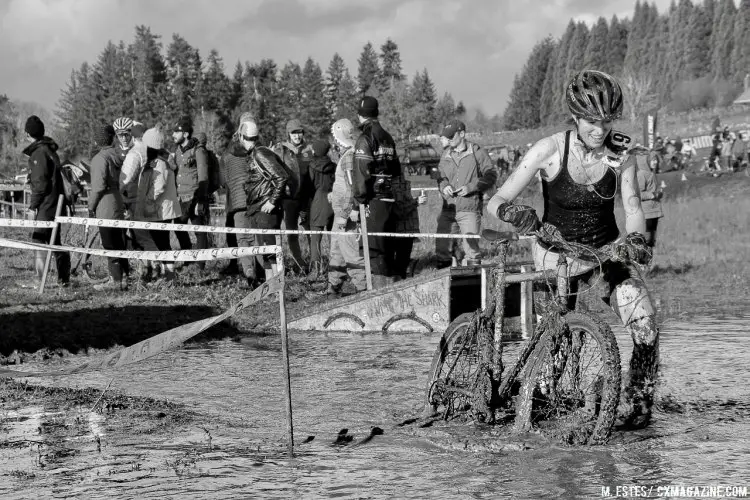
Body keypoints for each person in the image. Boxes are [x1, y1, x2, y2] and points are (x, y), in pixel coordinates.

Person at [487, 69, 659, 429]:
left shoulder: (621, 154)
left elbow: (633, 209)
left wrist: (636, 240)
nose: (599, 130)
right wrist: (513, 212)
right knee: (557, 349)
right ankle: (538, 410)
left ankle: (638, 403)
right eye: (591, 122)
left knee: (646, 325)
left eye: (607, 121)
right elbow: (497, 200)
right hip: (556, 255)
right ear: (575, 117)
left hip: (604, 252)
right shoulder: (549, 150)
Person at [351, 96, 402, 287]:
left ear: (359, 116)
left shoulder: (365, 138)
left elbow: (361, 174)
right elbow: (396, 169)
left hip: (373, 200)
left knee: (373, 250)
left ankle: (379, 297)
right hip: (389, 198)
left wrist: (357, 204)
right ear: (377, 112)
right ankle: (392, 290)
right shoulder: (388, 137)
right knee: (387, 249)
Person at [435, 119, 498, 268]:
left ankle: (474, 285)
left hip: (469, 209)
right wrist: (444, 186)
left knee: (471, 251)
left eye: (451, 136)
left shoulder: (477, 152)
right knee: (442, 249)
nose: (449, 140)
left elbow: (491, 175)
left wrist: (471, 187)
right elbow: (440, 176)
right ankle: (444, 284)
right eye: (447, 137)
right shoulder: (445, 155)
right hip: (448, 209)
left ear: (462, 134)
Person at [22, 115, 70, 287]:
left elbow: (41, 184)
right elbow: (46, 177)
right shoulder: (49, 150)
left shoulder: (39, 153)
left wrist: (32, 206)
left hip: (46, 205)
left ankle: (39, 280)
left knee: (39, 239)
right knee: (54, 241)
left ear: (28, 133)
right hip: (55, 203)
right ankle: (64, 280)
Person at [241, 118, 289, 289]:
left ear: (242, 136)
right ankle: (270, 288)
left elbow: (282, 177)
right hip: (258, 208)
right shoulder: (254, 153)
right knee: (266, 251)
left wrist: (272, 201)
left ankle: (277, 288)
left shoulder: (260, 153)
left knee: (271, 251)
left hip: (266, 210)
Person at [133, 126, 182, 283]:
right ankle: (162, 272)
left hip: (161, 210)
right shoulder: (163, 160)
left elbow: (158, 187)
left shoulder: (159, 163)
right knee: (159, 242)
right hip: (162, 210)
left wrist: (147, 202)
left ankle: (169, 275)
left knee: (162, 243)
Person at [325, 118, 366, 295]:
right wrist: (334, 195)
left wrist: (346, 213)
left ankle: (363, 289)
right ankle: (333, 287)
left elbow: (352, 188)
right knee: (336, 252)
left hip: (345, 215)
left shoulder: (349, 156)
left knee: (350, 253)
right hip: (339, 213)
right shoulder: (346, 155)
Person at [88, 124, 129, 291]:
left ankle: (116, 280)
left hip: (105, 204)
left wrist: (91, 206)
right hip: (118, 200)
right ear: (112, 138)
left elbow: (98, 187)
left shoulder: (99, 158)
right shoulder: (119, 155)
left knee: (110, 244)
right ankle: (125, 277)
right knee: (120, 241)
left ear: (97, 141)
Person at [273, 118, 314, 272]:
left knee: (310, 229)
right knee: (292, 231)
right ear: (288, 134)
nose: (297, 136)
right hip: (288, 200)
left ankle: (314, 261)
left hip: (305, 198)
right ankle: (299, 263)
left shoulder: (308, 150)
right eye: (294, 133)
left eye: (299, 132)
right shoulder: (281, 150)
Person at [171, 116, 210, 267]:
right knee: (179, 228)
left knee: (199, 231)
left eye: (176, 132)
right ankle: (188, 259)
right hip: (180, 198)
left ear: (186, 134)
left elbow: (203, 176)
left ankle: (200, 265)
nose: (173, 135)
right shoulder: (177, 151)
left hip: (194, 197)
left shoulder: (198, 151)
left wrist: (200, 200)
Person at [386, 175, 427, 280]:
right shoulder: (396, 183)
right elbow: (399, 211)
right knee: (399, 264)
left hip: (406, 229)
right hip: (400, 230)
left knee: (401, 263)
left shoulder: (401, 181)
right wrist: (416, 201)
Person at [307, 139, 336, 281]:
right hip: (333, 200)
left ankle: (316, 270)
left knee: (315, 238)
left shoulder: (311, 166)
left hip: (317, 201)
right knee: (333, 238)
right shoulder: (334, 166)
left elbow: (309, 187)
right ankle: (336, 267)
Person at [636, 157, 663, 267]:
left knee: (651, 241)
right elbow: (637, 193)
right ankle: (642, 265)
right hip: (646, 212)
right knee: (645, 241)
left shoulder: (650, 173)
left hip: (654, 211)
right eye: (652, 160)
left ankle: (647, 266)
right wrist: (652, 195)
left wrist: (659, 193)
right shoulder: (642, 174)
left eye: (656, 160)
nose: (655, 162)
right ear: (645, 161)